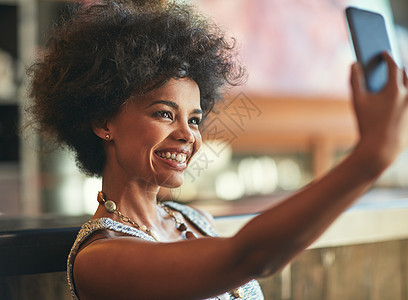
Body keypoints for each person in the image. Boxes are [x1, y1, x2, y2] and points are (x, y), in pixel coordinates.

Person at [27, 0, 408, 299]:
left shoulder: (192, 221)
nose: (187, 135)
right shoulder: (99, 259)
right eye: (164, 113)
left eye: (194, 119)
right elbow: (250, 257)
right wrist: (369, 160)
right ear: (102, 123)